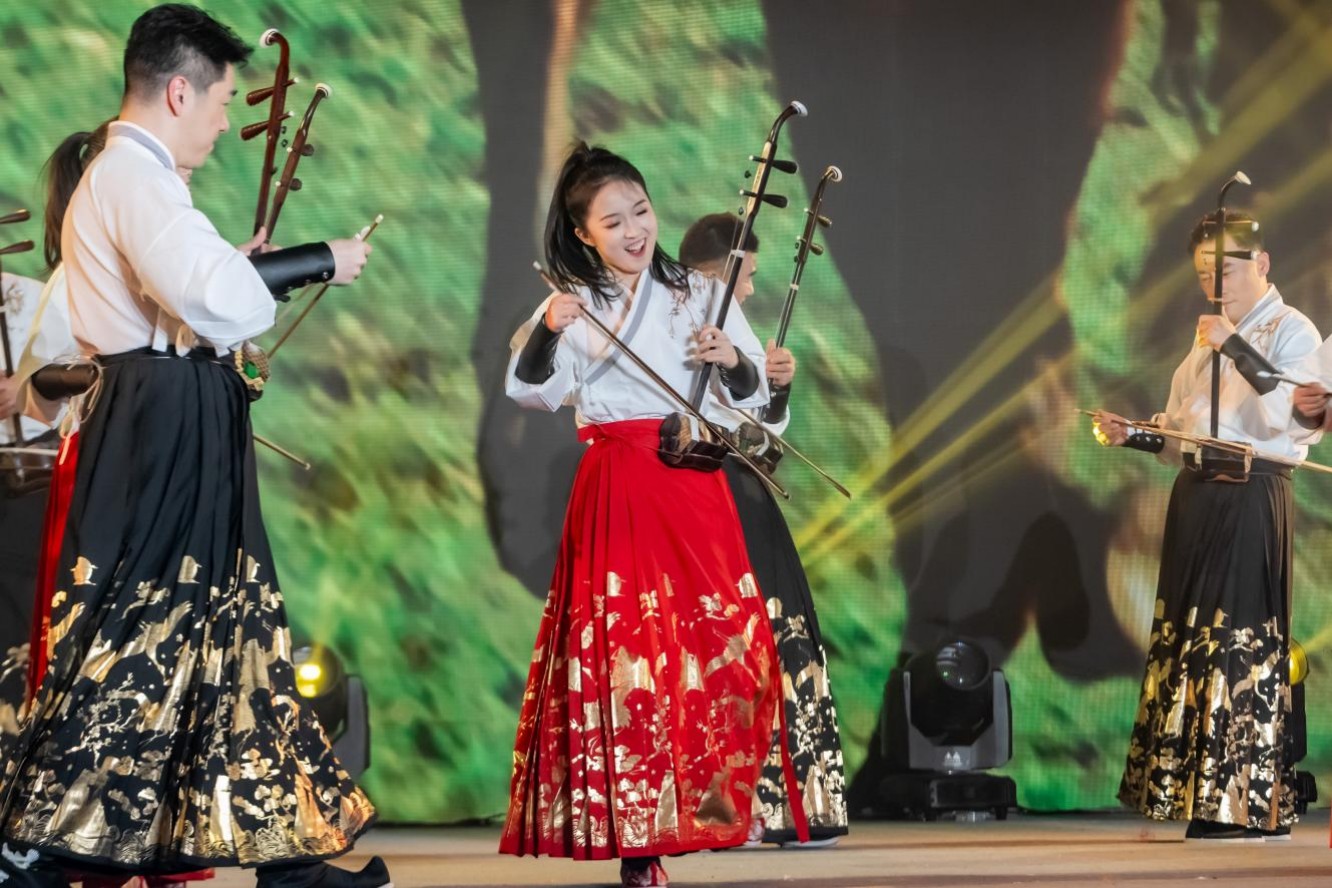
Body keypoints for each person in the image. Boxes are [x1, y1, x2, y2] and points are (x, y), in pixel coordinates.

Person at [0, 6, 386, 887]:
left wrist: (243, 272)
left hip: (171, 412)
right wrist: (319, 258)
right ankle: (35, 853)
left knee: (225, 627)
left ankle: (290, 863)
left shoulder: (137, 178)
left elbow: (203, 295)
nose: (220, 122)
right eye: (218, 102)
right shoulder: (132, 177)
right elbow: (217, 300)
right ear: (179, 91)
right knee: (141, 634)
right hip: (161, 419)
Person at [500, 143, 806, 887]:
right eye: (613, 222)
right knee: (627, 658)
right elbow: (529, 389)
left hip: (694, 483)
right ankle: (638, 842)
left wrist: (733, 360)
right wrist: (550, 326)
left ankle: (699, 808)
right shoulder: (575, 300)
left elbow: (756, 407)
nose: (634, 230)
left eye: (641, 211)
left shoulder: (703, 293)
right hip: (621, 483)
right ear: (584, 234)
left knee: (721, 649)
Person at [1093, 210, 1319, 842]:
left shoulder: (1291, 330)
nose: (1215, 284)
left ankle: (1244, 800)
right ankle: (1201, 792)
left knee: (1237, 643)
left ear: (1262, 264)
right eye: (1203, 273)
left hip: (1251, 492)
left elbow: (1288, 419)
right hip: (1196, 494)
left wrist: (1233, 345)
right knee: (1190, 641)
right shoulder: (1204, 340)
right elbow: (1182, 430)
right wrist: (1137, 434)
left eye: (1227, 269)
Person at [678, 213, 848, 848]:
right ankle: (721, 806)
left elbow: (762, 423)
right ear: (718, 269)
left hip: (741, 485)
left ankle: (784, 806)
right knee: (722, 639)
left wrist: (776, 385)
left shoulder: (733, 319)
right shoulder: (679, 312)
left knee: (778, 631)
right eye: (744, 274)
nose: (749, 288)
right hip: (701, 486)